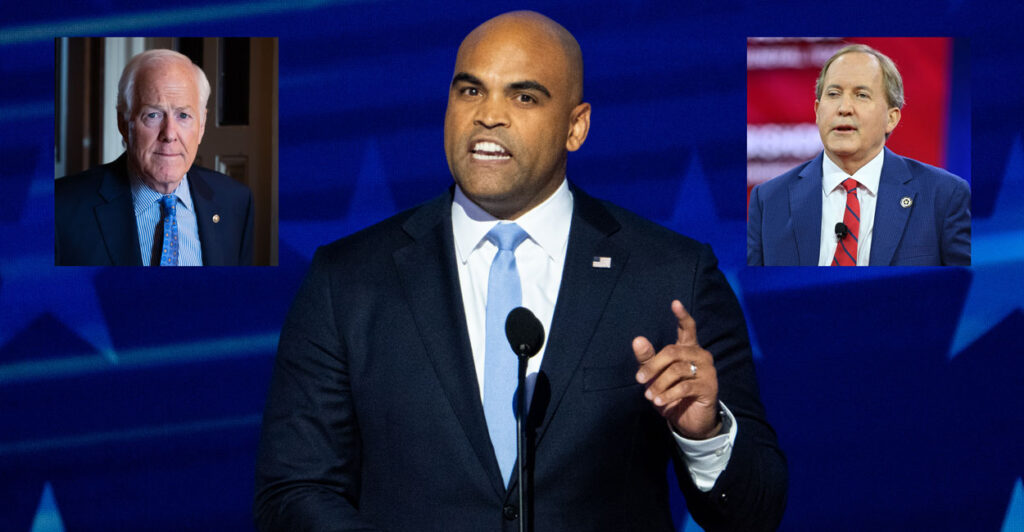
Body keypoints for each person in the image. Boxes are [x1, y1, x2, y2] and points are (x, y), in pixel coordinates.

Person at [255, 11, 786, 531]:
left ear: (575, 127)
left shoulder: (670, 276)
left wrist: (705, 435)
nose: (489, 114)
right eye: (469, 91)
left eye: (523, 96)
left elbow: (755, 512)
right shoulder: (348, 279)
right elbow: (294, 493)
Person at [747, 44, 971, 266]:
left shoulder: (943, 196)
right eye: (833, 94)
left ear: (891, 118)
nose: (844, 108)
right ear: (817, 111)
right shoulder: (768, 200)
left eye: (861, 95)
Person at [55, 49, 253, 266]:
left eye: (183, 115)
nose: (169, 134)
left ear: (202, 125)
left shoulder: (235, 202)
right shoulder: (61, 208)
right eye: (153, 115)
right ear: (123, 122)